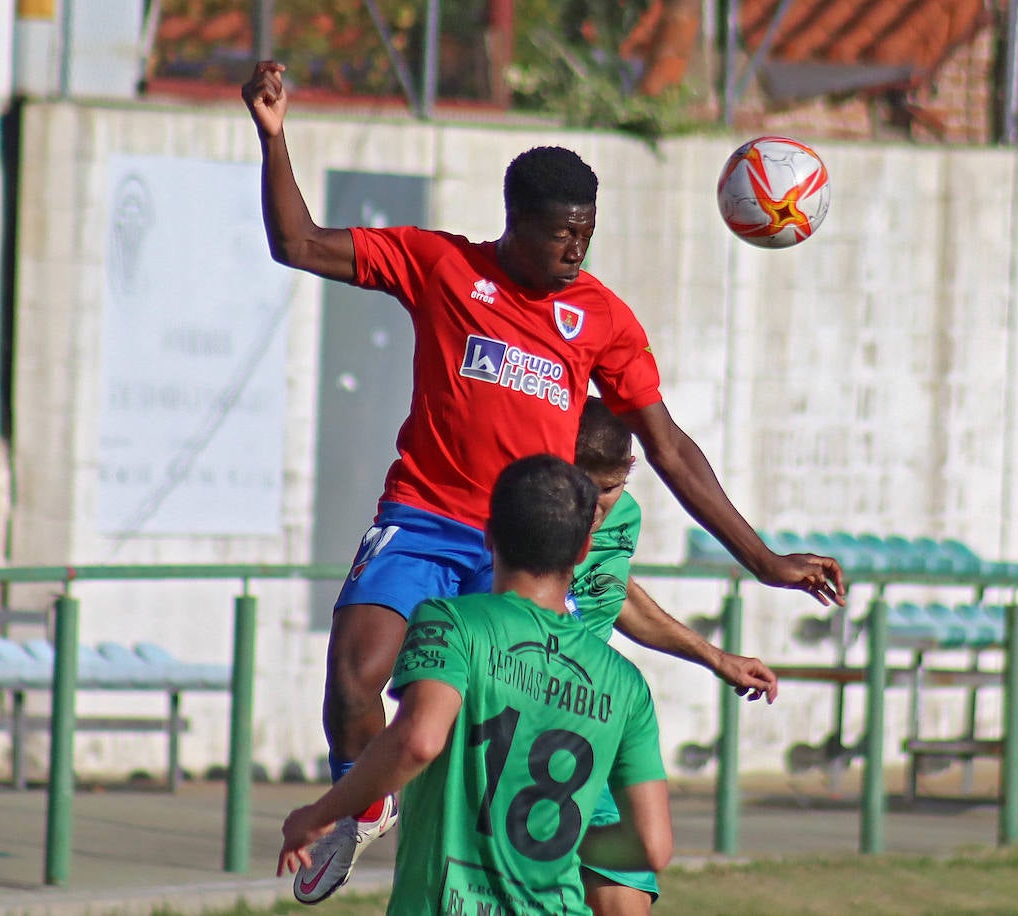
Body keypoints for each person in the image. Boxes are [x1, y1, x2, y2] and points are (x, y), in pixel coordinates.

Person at [240, 59, 844, 903]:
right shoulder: (441, 266)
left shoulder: (600, 316)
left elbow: (668, 447)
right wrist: (274, 138)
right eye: (561, 232)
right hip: (421, 515)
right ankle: (365, 807)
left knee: (509, 741)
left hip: (521, 549)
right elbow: (296, 243)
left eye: (586, 233)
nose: (575, 248)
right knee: (353, 677)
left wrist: (764, 559)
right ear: (514, 224)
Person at [277, 454, 672, 914]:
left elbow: (419, 742)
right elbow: (653, 845)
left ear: (489, 535)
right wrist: (547, 847)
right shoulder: (625, 684)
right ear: (585, 549)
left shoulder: (449, 622)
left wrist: (319, 814)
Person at [571, 396, 777, 915]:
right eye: (586, 490)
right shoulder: (529, 519)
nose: (597, 508)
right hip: (530, 724)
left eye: (611, 490)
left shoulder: (623, 520)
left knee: (629, 882)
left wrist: (714, 657)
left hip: (600, 720)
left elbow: (612, 592)